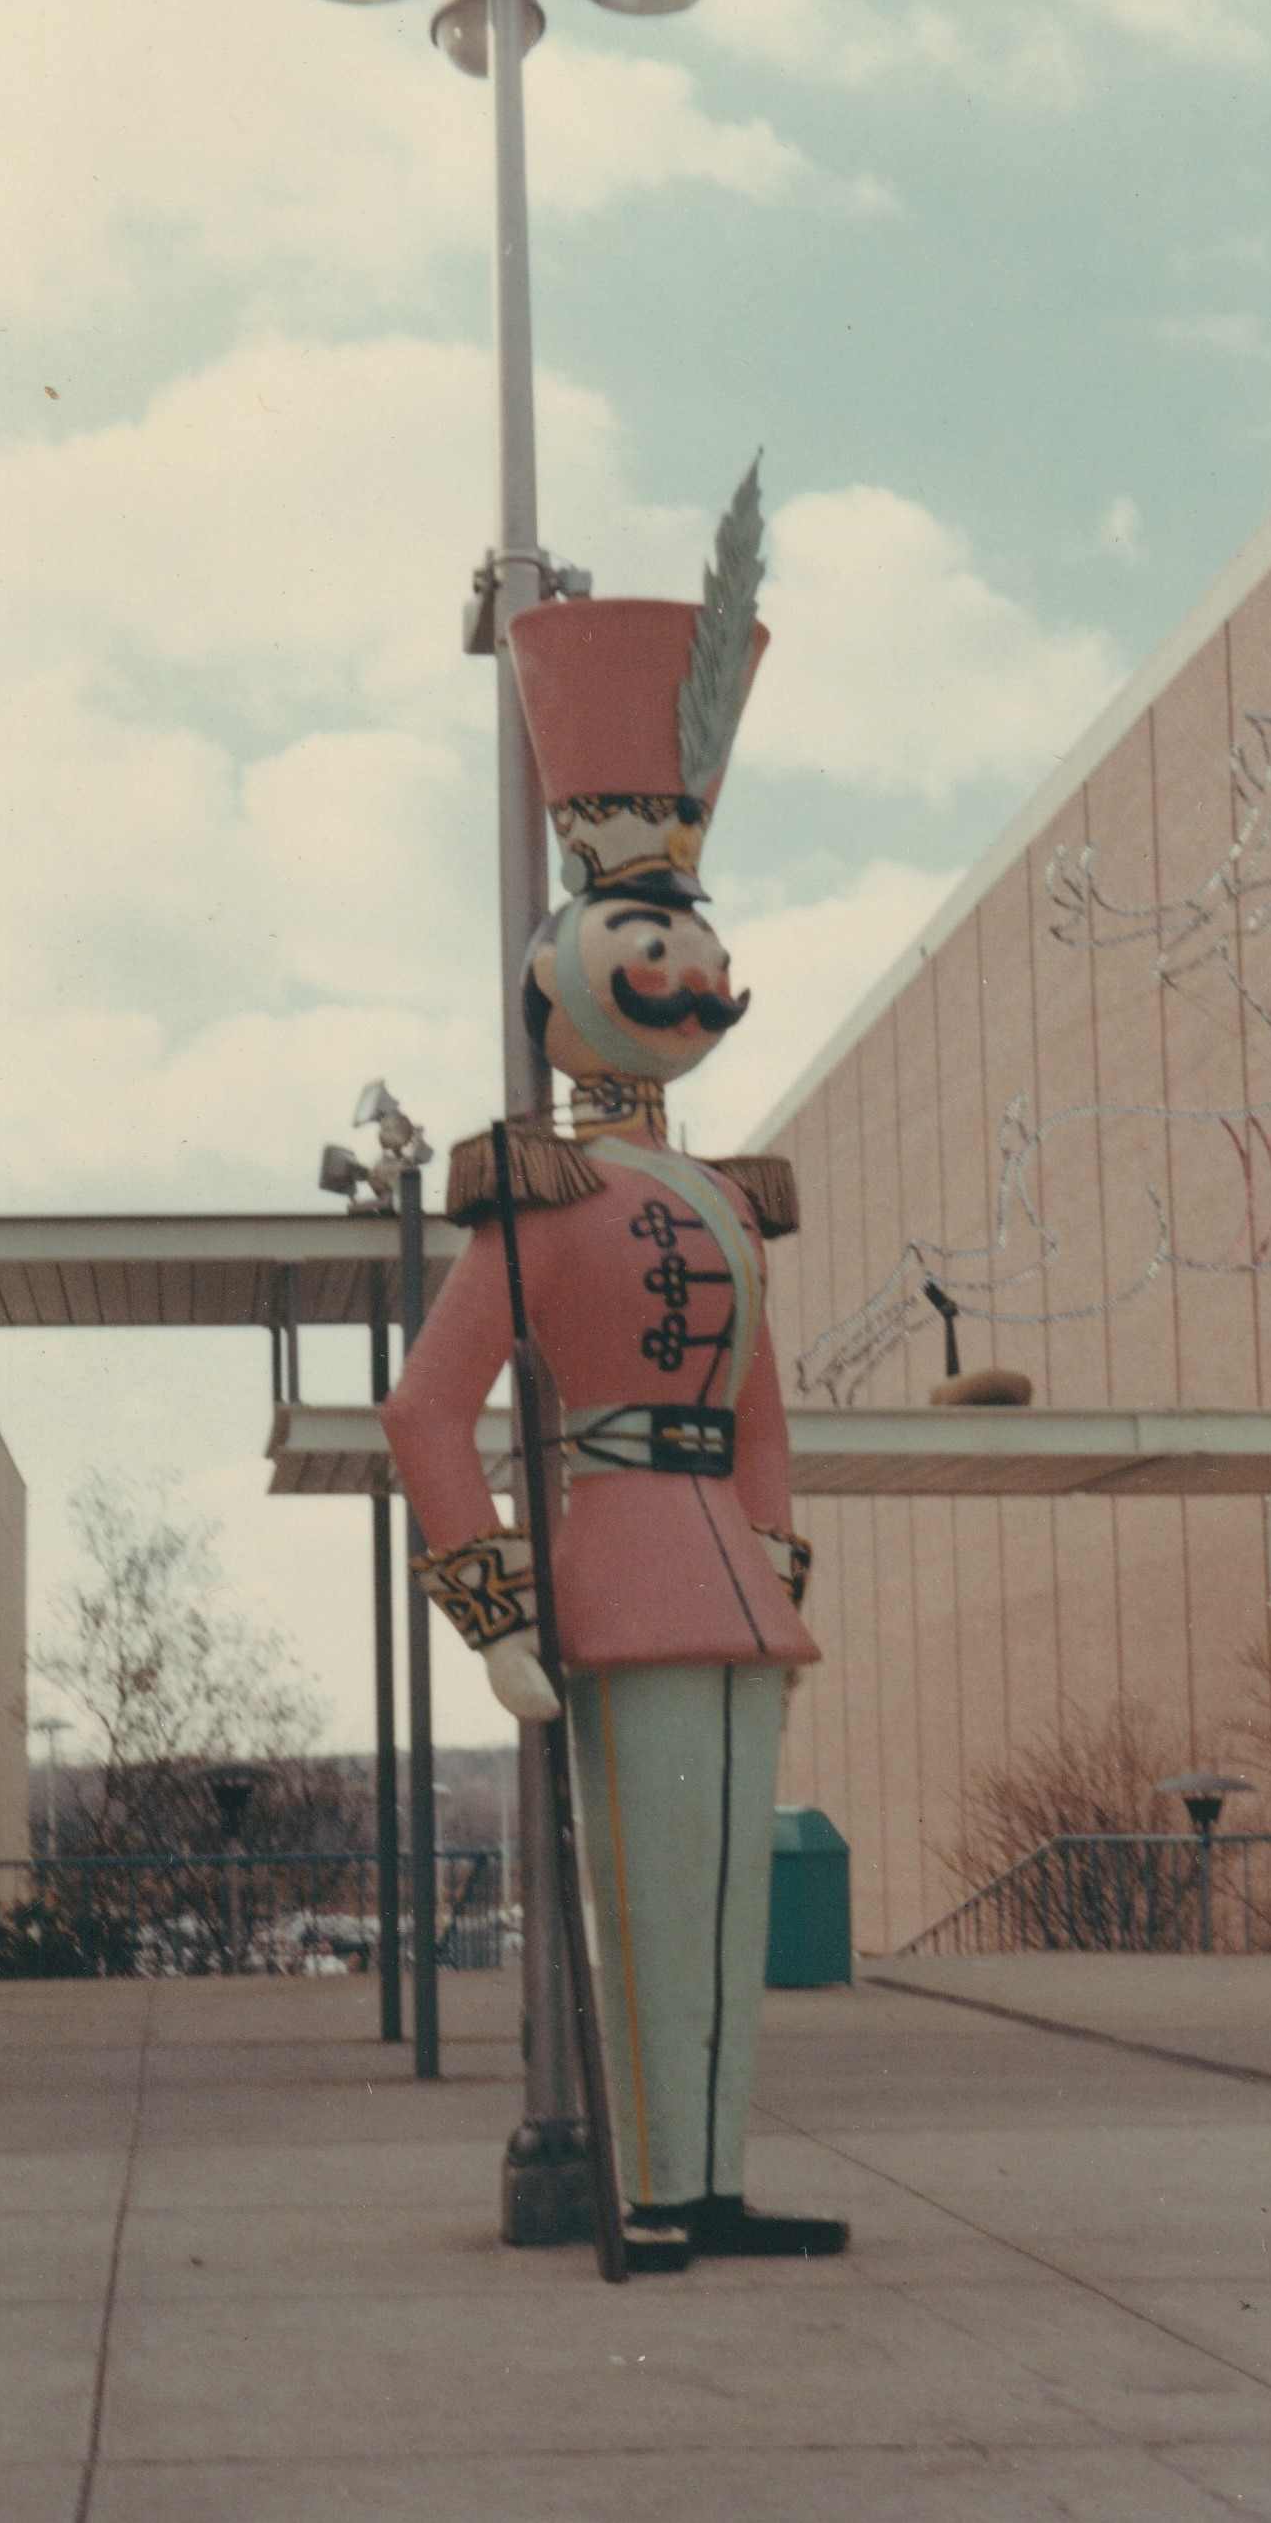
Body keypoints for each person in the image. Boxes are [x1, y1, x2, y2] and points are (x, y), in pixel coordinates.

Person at [383, 467, 847, 2268]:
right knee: (652, 1893)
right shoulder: (539, 1190)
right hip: (617, 1560)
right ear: (571, 955)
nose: (686, 974)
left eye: (692, 942)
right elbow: (431, 1407)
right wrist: (493, 1606)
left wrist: (777, 1549)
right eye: (648, 940)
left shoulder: (724, 1198)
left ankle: (711, 2178)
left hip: (730, 1578)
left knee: (721, 1896)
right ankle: (655, 2181)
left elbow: (764, 1411)